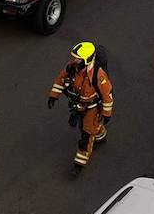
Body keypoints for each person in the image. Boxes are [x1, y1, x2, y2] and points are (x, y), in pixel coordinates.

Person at [48, 41, 114, 173]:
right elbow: (61, 79)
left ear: (87, 59)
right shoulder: (72, 67)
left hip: (92, 108)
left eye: (78, 58)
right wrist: (53, 96)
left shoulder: (98, 75)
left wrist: (107, 114)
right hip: (78, 106)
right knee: (90, 128)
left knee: (86, 135)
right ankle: (100, 135)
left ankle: (79, 164)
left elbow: (107, 95)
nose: (74, 60)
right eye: (74, 57)